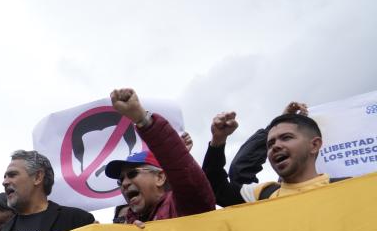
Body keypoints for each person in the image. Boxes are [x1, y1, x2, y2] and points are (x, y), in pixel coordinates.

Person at [104, 88, 215, 223]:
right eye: (120, 180)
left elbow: (178, 163)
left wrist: (141, 118)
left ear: (160, 177)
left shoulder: (186, 205)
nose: (125, 183)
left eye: (132, 174)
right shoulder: (127, 227)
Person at [203, 107, 338, 204]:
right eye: (270, 143)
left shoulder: (347, 189)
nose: (275, 146)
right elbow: (215, 189)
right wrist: (218, 140)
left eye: (286, 138)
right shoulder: (261, 195)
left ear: (314, 145)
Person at [0, 151, 95, 231]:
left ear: (38, 177)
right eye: (5, 177)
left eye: (12, 175)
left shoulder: (77, 221)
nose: (5, 182)